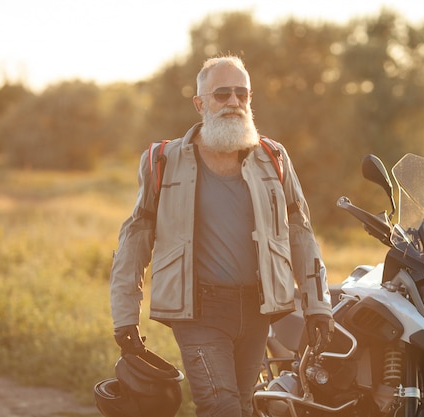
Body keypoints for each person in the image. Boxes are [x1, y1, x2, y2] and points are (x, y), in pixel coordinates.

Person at [109, 55, 334, 417]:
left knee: (244, 406)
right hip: (200, 311)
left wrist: (318, 305)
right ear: (200, 104)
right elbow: (134, 241)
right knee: (221, 407)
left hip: (259, 308)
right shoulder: (163, 160)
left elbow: (301, 233)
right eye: (222, 94)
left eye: (241, 94)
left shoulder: (274, 158)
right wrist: (124, 319)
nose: (233, 102)